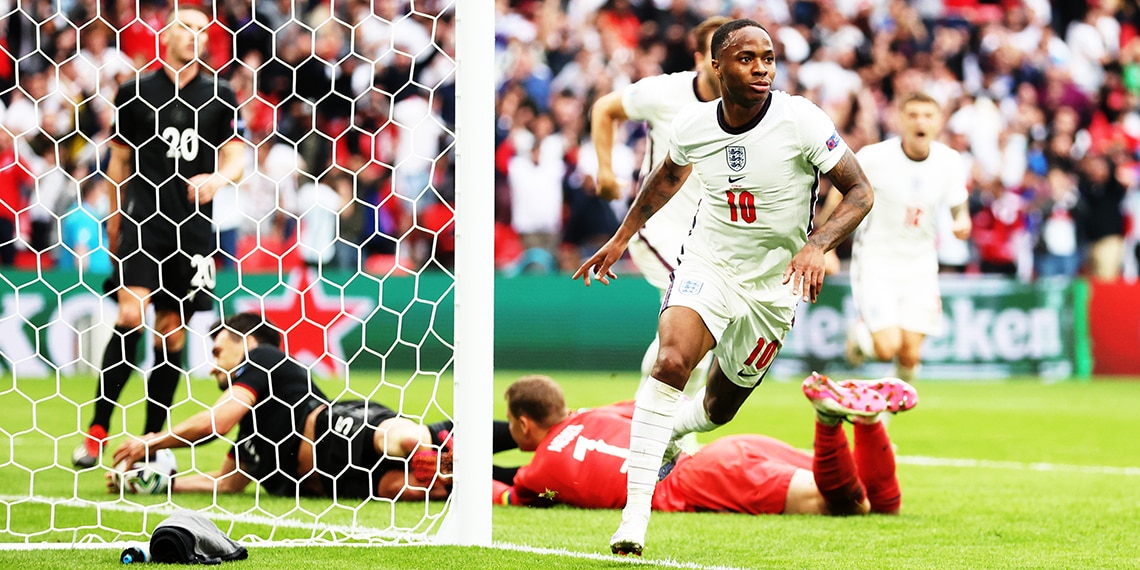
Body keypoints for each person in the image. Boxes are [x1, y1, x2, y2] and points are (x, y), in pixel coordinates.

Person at [572, 19, 875, 555]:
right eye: (745, 58)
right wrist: (621, 238)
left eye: (767, 58)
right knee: (670, 362)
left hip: (774, 285)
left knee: (718, 408)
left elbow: (859, 191)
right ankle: (634, 519)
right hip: (708, 263)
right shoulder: (693, 123)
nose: (760, 68)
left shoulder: (800, 119)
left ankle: (671, 430)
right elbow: (666, 177)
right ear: (716, 66)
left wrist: (817, 244)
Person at [73, 6, 247, 468]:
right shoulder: (134, 92)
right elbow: (118, 163)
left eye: (203, 31)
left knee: (170, 334)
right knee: (131, 314)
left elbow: (237, 158)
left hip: (191, 229)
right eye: (187, 27)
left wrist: (217, 180)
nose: (195, 36)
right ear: (166, 33)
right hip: (141, 222)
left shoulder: (221, 94)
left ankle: (149, 443)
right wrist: (112, 220)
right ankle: (96, 431)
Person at [106, 312, 456, 500]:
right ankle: (505, 484)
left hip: (340, 429)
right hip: (344, 482)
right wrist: (159, 482)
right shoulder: (253, 433)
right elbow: (226, 483)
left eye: (217, 352)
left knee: (405, 442)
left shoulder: (263, 358)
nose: (212, 366)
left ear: (248, 343)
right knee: (425, 490)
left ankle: (438, 440)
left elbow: (217, 422)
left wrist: (150, 441)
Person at [493, 374, 916, 520]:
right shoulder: (596, 415)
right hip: (720, 453)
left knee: (846, 505)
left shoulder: (539, 472)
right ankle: (869, 424)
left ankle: (828, 420)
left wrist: (449, 474)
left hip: (696, 481)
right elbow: (659, 406)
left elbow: (508, 495)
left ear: (524, 424)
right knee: (882, 505)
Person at [590, 15, 728, 395]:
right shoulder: (664, 92)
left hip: (710, 239)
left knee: (701, 336)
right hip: (658, 228)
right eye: (718, 54)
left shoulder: (750, 106)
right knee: (695, 315)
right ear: (700, 58)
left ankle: (662, 422)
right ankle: (650, 416)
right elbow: (605, 108)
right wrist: (605, 170)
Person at [840, 92, 971, 383]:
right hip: (876, 263)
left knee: (910, 354)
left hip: (920, 267)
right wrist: (825, 245)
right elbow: (841, 189)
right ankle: (860, 336)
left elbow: (958, 203)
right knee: (888, 348)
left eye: (927, 115)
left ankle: (881, 418)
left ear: (939, 121)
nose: (920, 122)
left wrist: (962, 220)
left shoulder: (949, 161)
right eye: (912, 115)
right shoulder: (874, 157)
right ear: (900, 120)